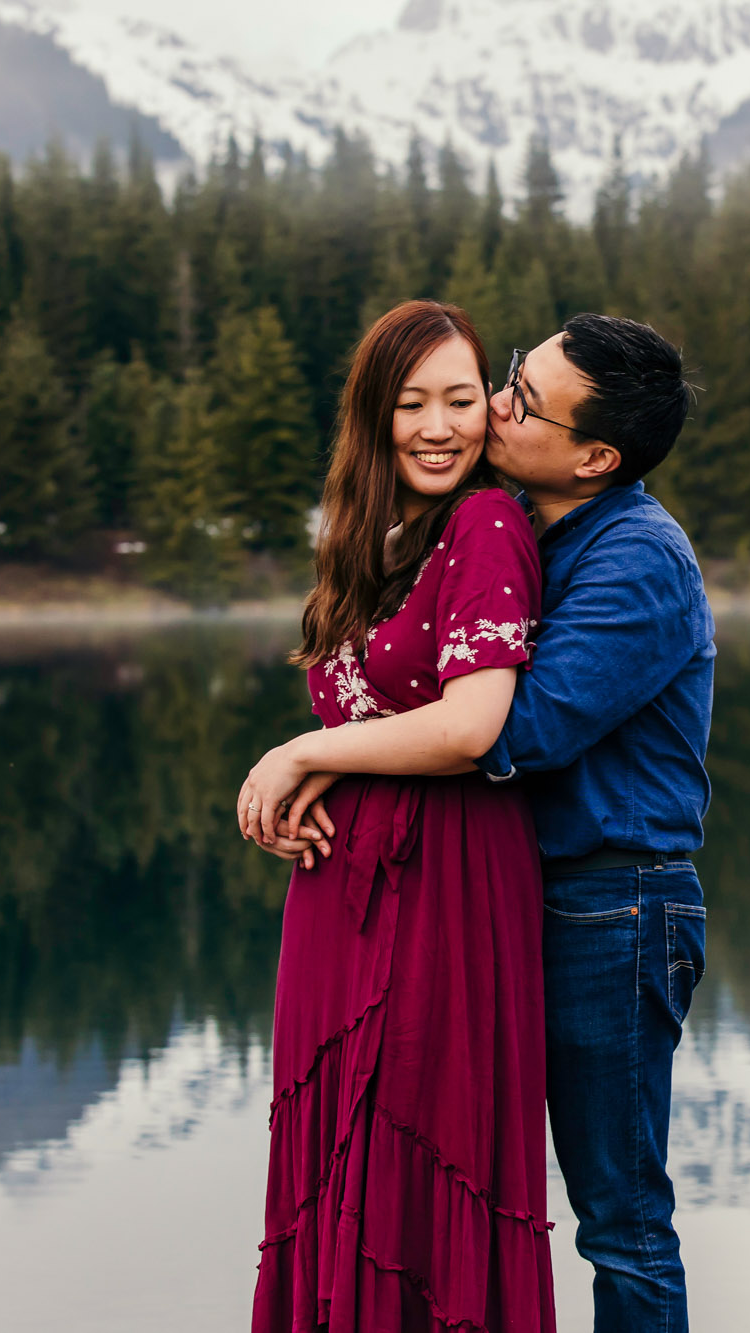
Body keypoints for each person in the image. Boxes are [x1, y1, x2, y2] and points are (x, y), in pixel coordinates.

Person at [261, 313, 712, 1333]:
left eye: (520, 399)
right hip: (509, 900)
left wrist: (312, 754)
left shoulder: (636, 558)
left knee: (620, 1220)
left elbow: (508, 731)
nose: (496, 405)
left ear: (594, 455)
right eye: (509, 376)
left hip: (613, 907)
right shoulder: (518, 518)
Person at [235, 300, 556, 1332]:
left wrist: (302, 752)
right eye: (411, 402)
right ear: (373, 417)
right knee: (340, 1170)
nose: (437, 425)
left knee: (417, 1158)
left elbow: (470, 725)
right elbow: (379, 713)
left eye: (461, 399)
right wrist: (318, 787)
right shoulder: (371, 542)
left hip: (446, 892)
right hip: (340, 904)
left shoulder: (485, 523)